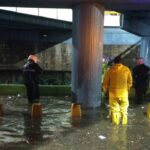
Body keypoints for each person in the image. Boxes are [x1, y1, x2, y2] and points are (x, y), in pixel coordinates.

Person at [103, 56, 133, 125]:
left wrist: (105, 91)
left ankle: (115, 125)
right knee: (124, 109)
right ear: (121, 62)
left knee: (114, 109)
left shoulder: (110, 70)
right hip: (123, 93)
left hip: (113, 93)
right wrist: (127, 89)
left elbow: (105, 83)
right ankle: (123, 125)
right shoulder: (126, 69)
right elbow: (130, 81)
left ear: (114, 62)